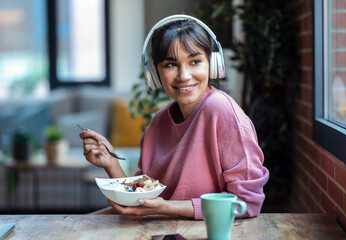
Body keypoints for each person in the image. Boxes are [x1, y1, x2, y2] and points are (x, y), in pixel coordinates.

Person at [80, 14, 269, 220]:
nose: (184, 75)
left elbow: (247, 203)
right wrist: (111, 162)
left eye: (195, 61)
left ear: (212, 64)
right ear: (154, 72)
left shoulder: (221, 111)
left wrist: (167, 208)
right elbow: (141, 200)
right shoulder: (158, 123)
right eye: (170, 64)